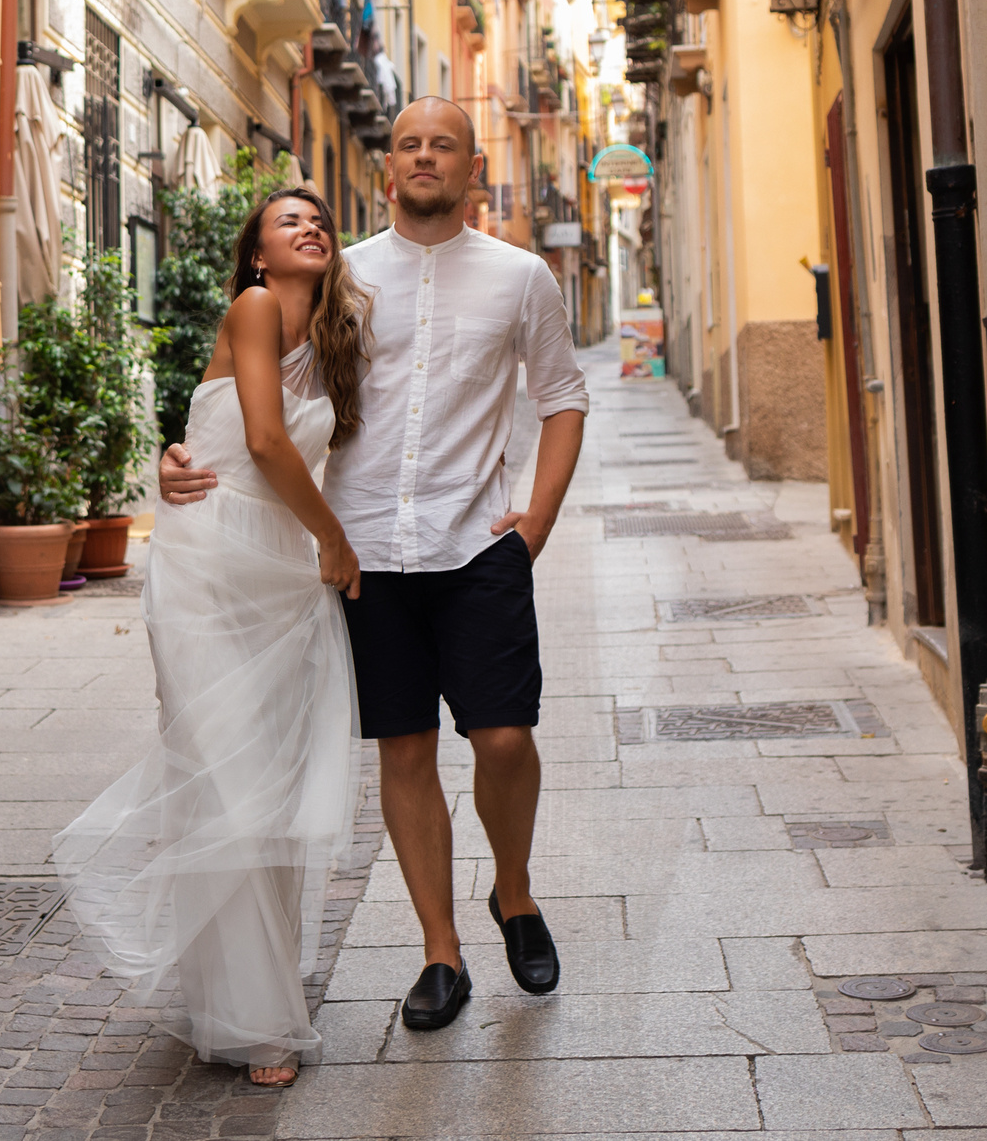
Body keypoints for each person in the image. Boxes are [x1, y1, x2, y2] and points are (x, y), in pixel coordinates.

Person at [159, 97, 588, 1034]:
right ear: (387, 168)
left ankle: (511, 890)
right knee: (406, 749)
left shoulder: (522, 279)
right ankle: (442, 949)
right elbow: (244, 379)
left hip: (478, 541)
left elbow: (563, 398)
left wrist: (538, 522)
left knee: (505, 737)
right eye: (408, 144)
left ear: (475, 166)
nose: (424, 155)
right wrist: (182, 455)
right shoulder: (338, 273)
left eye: (444, 143)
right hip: (362, 556)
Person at [53, 187, 368, 1087]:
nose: (310, 225)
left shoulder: (335, 337)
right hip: (215, 565)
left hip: (281, 570)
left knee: (268, 782)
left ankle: (238, 994)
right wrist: (334, 541)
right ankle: (257, 1021)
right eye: (287, 220)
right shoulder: (256, 305)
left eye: (320, 219)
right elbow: (262, 442)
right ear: (258, 256)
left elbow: (211, 431)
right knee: (228, 776)